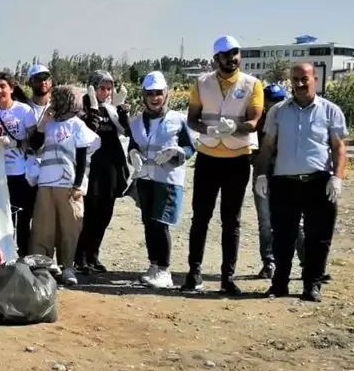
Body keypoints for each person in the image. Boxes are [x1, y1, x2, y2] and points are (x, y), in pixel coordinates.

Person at [253, 63, 347, 302]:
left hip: (318, 183)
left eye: (304, 78)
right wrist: (262, 174)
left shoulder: (330, 110)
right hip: (285, 184)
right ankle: (279, 284)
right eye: (295, 79)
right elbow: (267, 146)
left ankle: (312, 285)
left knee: (319, 237)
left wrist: (337, 177)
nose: (299, 83)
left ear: (315, 79)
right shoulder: (279, 112)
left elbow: (338, 148)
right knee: (283, 237)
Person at [184, 35, 265, 295]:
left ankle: (227, 277)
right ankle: (193, 273)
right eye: (225, 55)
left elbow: (253, 121)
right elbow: (192, 119)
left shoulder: (252, 84)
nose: (231, 59)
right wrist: (209, 129)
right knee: (201, 218)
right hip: (208, 157)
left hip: (237, 159)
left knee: (231, 221)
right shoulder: (202, 83)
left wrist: (235, 127)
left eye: (235, 53)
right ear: (216, 58)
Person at [128, 72, 196, 289]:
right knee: (148, 224)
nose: (155, 98)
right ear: (144, 96)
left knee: (160, 224)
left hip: (167, 179)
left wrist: (177, 152)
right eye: (150, 94)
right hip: (145, 180)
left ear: (166, 94)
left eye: (159, 93)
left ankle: (164, 270)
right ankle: (154, 265)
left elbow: (190, 147)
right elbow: (133, 145)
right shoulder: (137, 123)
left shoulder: (177, 120)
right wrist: (133, 154)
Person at [29, 85, 100, 286]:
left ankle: (68, 266)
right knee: (43, 227)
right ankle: (42, 265)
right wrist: (43, 123)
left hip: (68, 184)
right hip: (45, 183)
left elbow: (81, 155)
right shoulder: (49, 124)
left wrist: (77, 184)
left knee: (70, 227)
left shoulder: (76, 125)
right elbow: (35, 145)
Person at [74, 71, 131, 274]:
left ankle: (93, 255)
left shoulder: (113, 108)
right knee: (89, 213)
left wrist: (121, 110)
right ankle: (80, 258)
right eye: (101, 88)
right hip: (92, 167)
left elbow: (127, 132)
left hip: (112, 166)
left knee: (105, 214)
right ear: (93, 88)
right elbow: (88, 132)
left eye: (109, 88)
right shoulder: (84, 108)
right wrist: (95, 110)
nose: (106, 92)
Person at [0, 72, 37, 256]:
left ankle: (25, 256)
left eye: (2, 86)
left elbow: (34, 142)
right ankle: (6, 256)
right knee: (3, 218)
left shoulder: (24, 111)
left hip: (21, 171)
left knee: (24, 216)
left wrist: (14, 143)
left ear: (11, 88)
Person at [253, 83, 304, 279]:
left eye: (278, 100)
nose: (275, 104)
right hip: (263, 173)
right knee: (265, 222)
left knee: (296, 221)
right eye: (271, 100)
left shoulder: (290, 118)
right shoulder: (257, 121)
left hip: (286, 174)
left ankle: (308, 263)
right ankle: (269, 262)